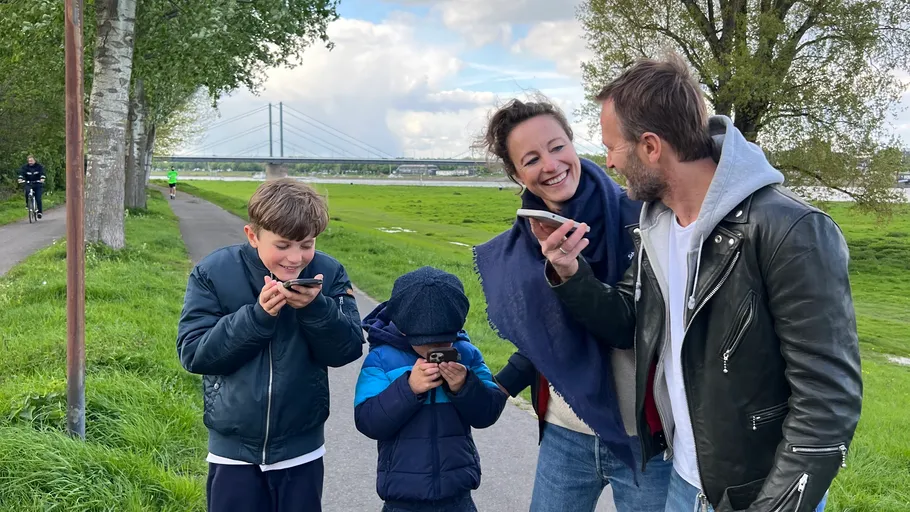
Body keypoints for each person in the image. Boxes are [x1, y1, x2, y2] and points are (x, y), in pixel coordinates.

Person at [538, 54, 862, 512]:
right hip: (682, 482)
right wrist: (571, 274)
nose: (607, 160)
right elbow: (629, 325)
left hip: (756, 494)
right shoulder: (658, 224)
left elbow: (828, 404)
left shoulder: (792, 229)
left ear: (651, 146)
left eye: (613, 146)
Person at [473, 98, 672, 511]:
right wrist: (500, 385)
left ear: (573, 143)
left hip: (645, 439)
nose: (550, 164)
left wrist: (570, 273)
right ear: (516, 173)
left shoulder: (642, 216)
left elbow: (631, 327)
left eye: (557, 146)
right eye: (531, 158)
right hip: (565, 431)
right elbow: (544, 335)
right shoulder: (525, 243)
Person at [176, 178, 365, 512]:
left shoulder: (330, 273)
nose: (296, 258)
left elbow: (347, 349)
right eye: (283, 245)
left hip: (302, 448)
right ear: (253, 235)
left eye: (306, 244)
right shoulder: (213, 272)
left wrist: (315, 308)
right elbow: (195, 353)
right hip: (232, 451)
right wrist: (258, 316)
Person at [354, 266, 507, 512]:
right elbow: (367, 421)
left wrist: (464, 386)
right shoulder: (382, 359)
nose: (440, 349)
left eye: (447, 341)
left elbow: (488, 413)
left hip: (458, 494)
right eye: (429, 344)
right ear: (404, 329)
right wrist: (408, 388)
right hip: (402, 498)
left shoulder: (467, 355)